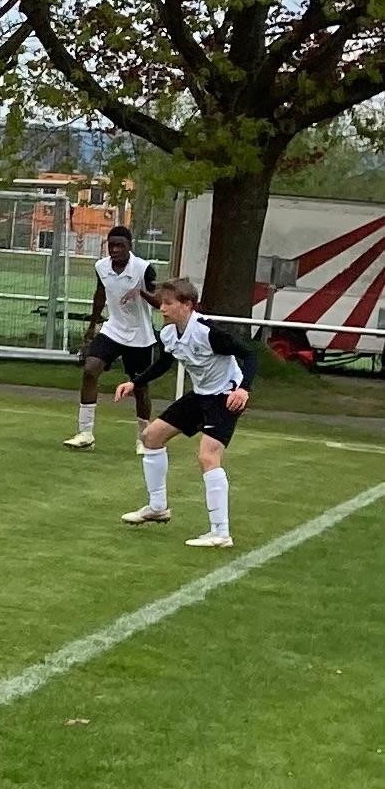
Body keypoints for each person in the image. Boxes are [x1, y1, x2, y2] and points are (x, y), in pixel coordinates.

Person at [114, 275, 257, 548]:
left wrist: (243, 389)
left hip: (225, 396)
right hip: (201, 395)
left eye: (168, 303)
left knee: (208, 456)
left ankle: (221, 532)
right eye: (161, 303)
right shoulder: (169, 333)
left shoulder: (208, 332)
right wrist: (134, 383)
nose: (162, 308)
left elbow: (250, 355)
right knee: (151, 437)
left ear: (188, 304)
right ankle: (158, 507)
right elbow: (163, 364)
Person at [63, 225, 161, 454]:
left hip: (139, 335)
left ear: (129, 246)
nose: (115, 250)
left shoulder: (143, 269)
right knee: (90, 369)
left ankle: (143, 439)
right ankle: (85, 433)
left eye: (120, 246)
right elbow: (100, 294)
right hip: (113, 329)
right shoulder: (101, 267)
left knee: (140, 386)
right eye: (112, 245)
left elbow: (159, 302)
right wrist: (92, 326)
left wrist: (141, 292)